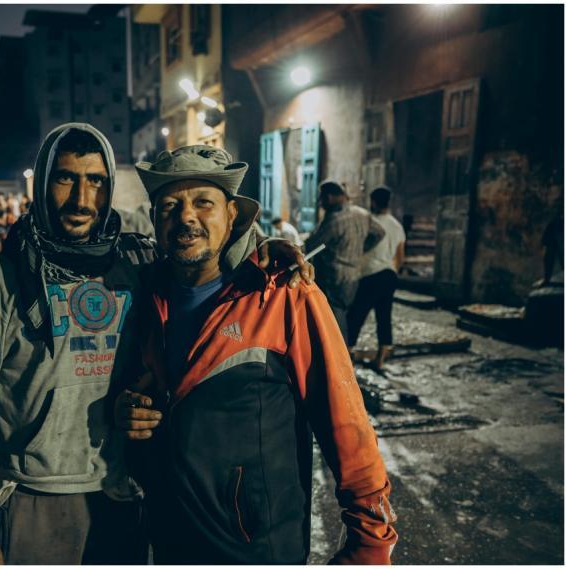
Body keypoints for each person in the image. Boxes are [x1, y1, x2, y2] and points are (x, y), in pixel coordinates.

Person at [0, 124, 312, 564]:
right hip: (37, 503)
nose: (81, 199)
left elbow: (200, 254)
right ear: (40, 184)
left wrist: (261, 249)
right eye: (65, 178)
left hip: (124, 496)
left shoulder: (135, 261)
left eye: (95, 181)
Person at [115, 146, 398, 564]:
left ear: (232, 215)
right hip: (173, 540)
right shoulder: (147, 296)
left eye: (203, 203)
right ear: (155, 219)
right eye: (170, 205)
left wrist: (371, 544)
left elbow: (346, 422)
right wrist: (127, 412)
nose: (186, 217)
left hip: (258, 548)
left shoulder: (284, 293)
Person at [304, 180, 385, 340]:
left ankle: (341, 358)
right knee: (343, 315)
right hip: (354, 274)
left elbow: (312, 245)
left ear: (330, 197)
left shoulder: (334, 220)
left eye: (322, 198)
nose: (320, 203)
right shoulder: (362, 214)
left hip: (334, 277)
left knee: (334, 320)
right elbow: (379, 232)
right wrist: (361, 249)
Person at [346, 186, 406, 370]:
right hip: (389, 275)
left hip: (371, 275)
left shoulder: (368, 222)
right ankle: (379, 360)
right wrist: (391, 269)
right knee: (384, 317)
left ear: (373, 201)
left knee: (356, 315)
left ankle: (348, 355)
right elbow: (400, 256)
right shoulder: (397, 225)